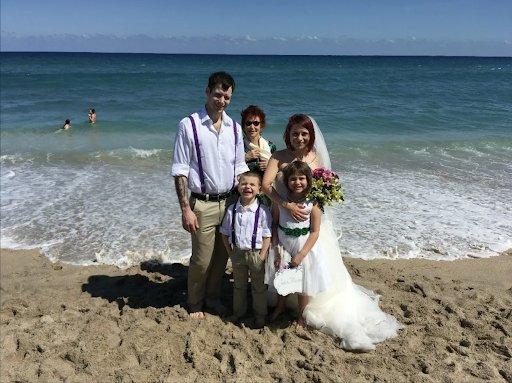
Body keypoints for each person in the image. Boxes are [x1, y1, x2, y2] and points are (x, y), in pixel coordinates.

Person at [263, 114, 401, 351]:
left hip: (310, 224)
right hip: (284, 219)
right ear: (288, 134)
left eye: (304, 134)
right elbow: (266, 186)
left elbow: (325, 190)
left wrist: (312, 206)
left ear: (311, 136)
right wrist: (286, 205)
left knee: (311, 267)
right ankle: (283, 304)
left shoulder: (316, 158)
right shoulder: (278, 157)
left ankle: (305, 310)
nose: (299, 138)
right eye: (295, 133)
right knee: (284, 264)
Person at [171, 71, 249, 319]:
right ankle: (195, 303)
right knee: (201, 260)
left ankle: (212, 298)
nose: (222, 101)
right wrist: (185, 209)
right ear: (207, 92)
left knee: (220, 259)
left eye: (227, 97)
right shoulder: (189, 125)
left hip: (229, 202)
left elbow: (240, 168)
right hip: (201, 205)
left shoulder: (235, 129)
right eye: (218, 94)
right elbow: (180, 171)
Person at [268, 161, 331, 327]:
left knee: (304, 283)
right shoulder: (280, 202)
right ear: (286, 182)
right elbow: (274, 224)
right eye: (293, 179)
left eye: (301, 178)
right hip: (283, 245)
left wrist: (301, 254)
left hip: (304, 249)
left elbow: (315, 231)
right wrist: (276, 249)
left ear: (308, 180)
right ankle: (280, 307)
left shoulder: (314, 203)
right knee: (284, 280)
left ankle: (302, 314)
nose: (297, 182)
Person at [220, 171, 272, 328]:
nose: (247, 187)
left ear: (259, 189)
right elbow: (224, 232)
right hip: (237, 253)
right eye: (243, 184)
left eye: (252, 184)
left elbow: (267, 235)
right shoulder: (231, 209)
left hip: (256, 254)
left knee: (258, 287)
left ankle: (260, 315)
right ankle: (239, 312)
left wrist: (262, 255)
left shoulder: (262, 210)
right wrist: (230, 251)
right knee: (239, 285)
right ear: (238, 187)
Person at [241, 105, 276, 177]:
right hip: (246, 185)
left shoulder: (270, 146)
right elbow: (229, 166)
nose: (252, 127)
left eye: (256, 123)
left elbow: (277, 168)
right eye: (248, 123)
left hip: (265, 185)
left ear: (261, 126)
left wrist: (269, 166)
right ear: (243, 126)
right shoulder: (238, 146)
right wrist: (245, 158)